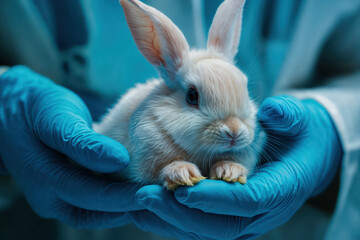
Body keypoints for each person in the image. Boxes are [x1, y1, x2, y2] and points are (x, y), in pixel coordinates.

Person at [0, 0, 359, 239]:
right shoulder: (150, 118)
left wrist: (336, 127)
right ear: (180, 91)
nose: (235, 130)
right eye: (195, 99)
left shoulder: (241, 124)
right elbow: (140, 165)